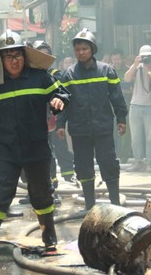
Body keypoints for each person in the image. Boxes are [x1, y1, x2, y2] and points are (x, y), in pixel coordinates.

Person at [0, 30, 69, 260]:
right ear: (0, 60)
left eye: (18, 55)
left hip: (37, 149)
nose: (14, 61)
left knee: (42, 195)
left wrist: (59, 101)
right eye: (8, 56)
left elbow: (63, 95)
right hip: (7, 152)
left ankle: (49, 240)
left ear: (25, 56)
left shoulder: (40, 78)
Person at [56, 29, 127, 210]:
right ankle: (90, 205)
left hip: (102, 128)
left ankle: (115, 204)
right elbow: (61, 101)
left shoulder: (106, 71)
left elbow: (117, 97)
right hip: (79, 129)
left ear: (92, 49)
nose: (81, 52)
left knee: (108, 163)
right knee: (83, 166)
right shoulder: (68, 75)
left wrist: (121, 118)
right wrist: (60, 124)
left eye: (84, 49)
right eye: (78, 49)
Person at [33, 40, 76, 186]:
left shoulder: (55, 74)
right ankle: (44, 183)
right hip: (35, 120)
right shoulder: (30, 75)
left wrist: (55, 114)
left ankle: (64, 175)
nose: (43, 58)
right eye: (39, 54)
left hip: (52, 118)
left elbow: (63, 95)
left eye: (46, 55)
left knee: (57, 147)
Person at [124, 45, 151, 172]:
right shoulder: (137, 67)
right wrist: (135, 64)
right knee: (136, 137)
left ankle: (150, 162)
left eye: (149, 56)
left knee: (150, 137)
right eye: (144, 56)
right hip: (135, 105)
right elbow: (127, 78)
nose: (146, 58)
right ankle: (138, 162)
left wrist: (149, 70)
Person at [110, 48, 133, 162]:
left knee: (125, 132)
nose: (116, 61)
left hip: (125, 106)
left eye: (118, 59)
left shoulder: (128, 71)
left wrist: (122, 92)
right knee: (111, 132)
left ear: (122, 59)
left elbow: (132, 90)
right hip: (110, 107)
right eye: (114, 59)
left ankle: (124, 157)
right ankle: (113, 156)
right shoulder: (107, 71)